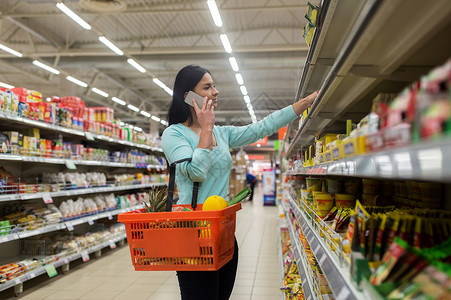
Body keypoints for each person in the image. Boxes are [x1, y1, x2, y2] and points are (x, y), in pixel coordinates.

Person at [161, 65, 318, 300]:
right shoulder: (174, 134)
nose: (216, 92)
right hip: (193, 234)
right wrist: (206, 128)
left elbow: (262, 127)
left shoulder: (223, 133)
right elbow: (195, 172)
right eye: (207, 87)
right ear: (188, 96)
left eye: (214, 85)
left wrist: (305, 102)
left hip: (224, 231)